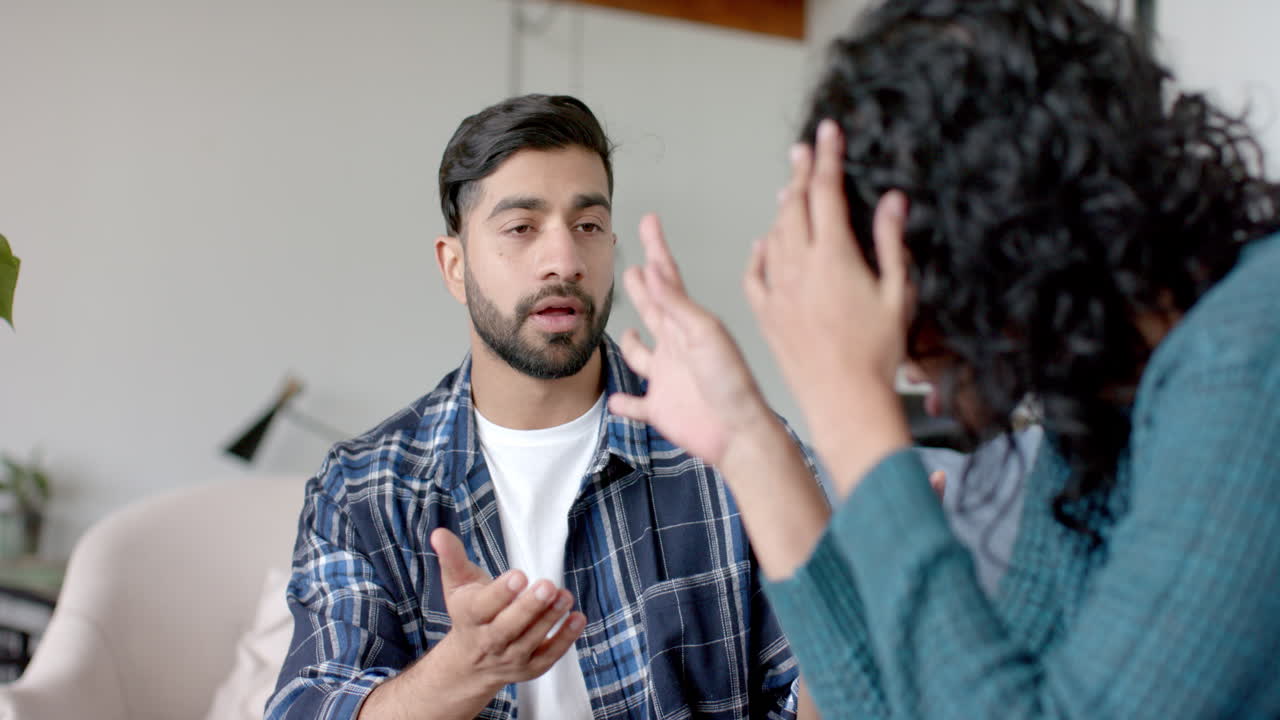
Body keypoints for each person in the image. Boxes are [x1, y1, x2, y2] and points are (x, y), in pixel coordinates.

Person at [608, 1, 1280, 717]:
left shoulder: (1249, 358)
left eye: (903, 307)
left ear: (996, 240)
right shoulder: (1096, 413)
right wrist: (745, 442)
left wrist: (853, 409)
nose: (905, 363)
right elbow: (911, 706)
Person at [265, 94, 809, 720]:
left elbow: (841, 699)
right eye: (522, 227)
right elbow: (309, 705)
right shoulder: (363, 490)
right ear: (455, 266)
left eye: (588, 226)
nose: (566, 262)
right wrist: (464, 669)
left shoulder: (731, 450)